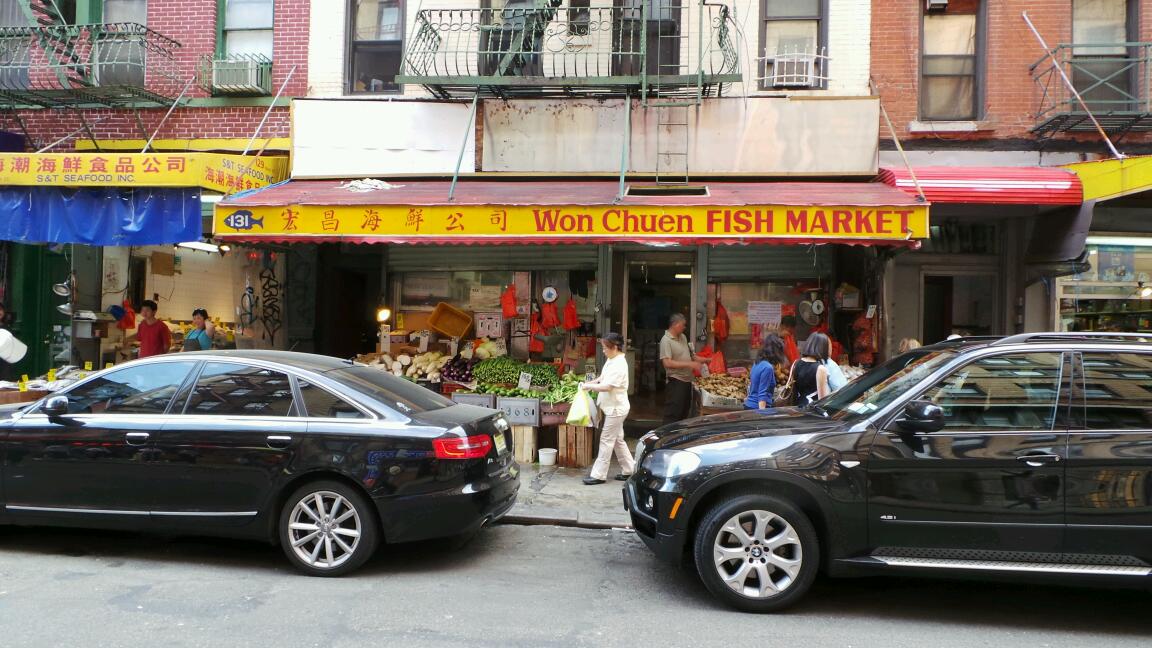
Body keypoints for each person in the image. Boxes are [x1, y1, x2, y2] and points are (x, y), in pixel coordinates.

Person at [580, 333, 636, 485]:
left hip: (616, 409)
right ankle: (629, 469)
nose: (603, 351)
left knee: (606, 439)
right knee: (617, 439)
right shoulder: (612, 360)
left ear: (615, 347)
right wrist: (591, 382)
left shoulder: (619, 364)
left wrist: (589, 386)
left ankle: (599, 474)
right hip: (613, 408)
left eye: (605, 348)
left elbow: (608, 386)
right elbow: (602, 378)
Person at [659, 313, 707, 424]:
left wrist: (705, 360)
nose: (685, 327)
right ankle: (667, 438)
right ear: (675, 324)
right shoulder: (666, 340)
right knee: (673, 413)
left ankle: (679, 438)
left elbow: (692, 355)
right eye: (683, 325)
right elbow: (667, 363)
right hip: (676, 381)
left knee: (684, 412)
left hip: (687, 381)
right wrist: (690, 364)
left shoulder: (683, 337)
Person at [790, 332, 831, 406]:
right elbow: (822, 399)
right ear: (823, 348)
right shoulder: (820, 369)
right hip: (811, 410)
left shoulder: (796, 363)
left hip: (797, 407)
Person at [745, 334, 785, 410]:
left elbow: (754, 387)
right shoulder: (768, 368)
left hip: (750, 406)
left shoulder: (757, 363)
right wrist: (763, 416)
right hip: (757, 409)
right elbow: (762, 394)